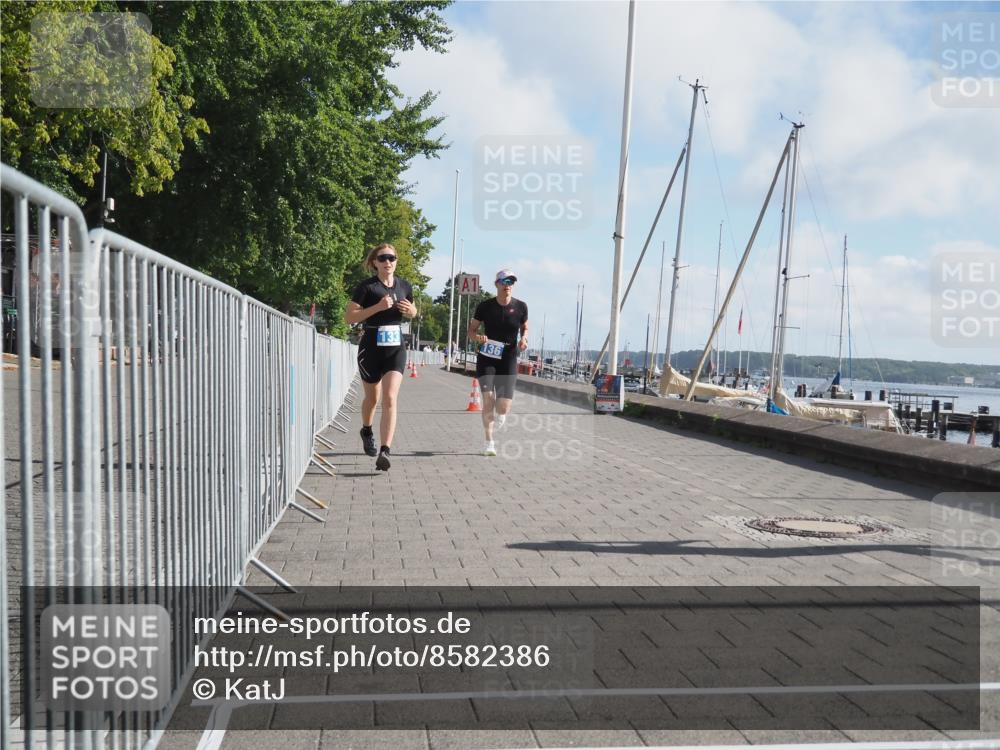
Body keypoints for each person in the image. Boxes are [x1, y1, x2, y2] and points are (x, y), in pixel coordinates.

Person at [344, 243, 417, 471]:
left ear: (396, 261)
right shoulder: (367, 287)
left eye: (392, 258)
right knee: (373, 399)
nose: (388, 262)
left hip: (395, 346)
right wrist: (376, 307)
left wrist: (412, 311)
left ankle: (385, 451)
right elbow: (349, 317)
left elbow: (414, 311)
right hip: (371, 346)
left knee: (390, 398)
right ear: (375, 262)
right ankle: (366, 429)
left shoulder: (404, 285)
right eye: (383, 258)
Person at [468, 269, 528, 456]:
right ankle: (489, 442)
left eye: (511, 282)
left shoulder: (521, 306)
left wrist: (524, 339)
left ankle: (501, 414)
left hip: (508, 357)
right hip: (487, 357)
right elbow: (471, 331)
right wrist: (478, 337)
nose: (508, 285)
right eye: (504, 281)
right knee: (488, 400)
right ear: (497, 284)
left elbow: (525, 326)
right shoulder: (485, 306)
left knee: (502, 406)